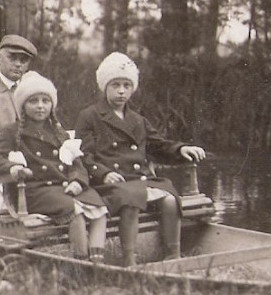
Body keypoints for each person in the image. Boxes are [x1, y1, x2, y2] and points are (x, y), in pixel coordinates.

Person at [75, 52, 206, 267]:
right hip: (108, 183)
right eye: (115, 85)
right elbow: (83, 156)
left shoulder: (138, 119)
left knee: (170, 199)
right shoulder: (90, 116)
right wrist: (104, 173)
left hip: (137, 179)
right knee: (131, 199)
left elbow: (158, 145)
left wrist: (181, 149)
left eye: (126, 86)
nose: (121, 91)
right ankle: (130, 261)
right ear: (104, 87)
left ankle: (173, 257)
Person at [0, 71, 108, 261]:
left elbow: (77, 163)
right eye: (33, 101)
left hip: (62, 187)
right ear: (22, 106)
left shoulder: (58, 132)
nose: (40, 106)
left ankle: (97, 261)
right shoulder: (12, 131)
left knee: (99, 208)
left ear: (52, 105)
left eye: (45, 101)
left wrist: (77, 181)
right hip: (33, 190)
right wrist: (14, 168)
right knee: (74, 210)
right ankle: (81, 263)